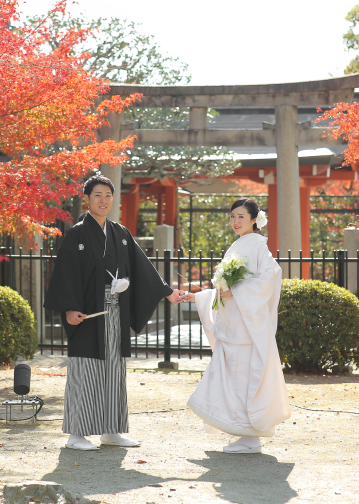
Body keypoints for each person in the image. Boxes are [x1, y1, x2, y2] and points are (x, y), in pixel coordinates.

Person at [44, 175, 188, 451]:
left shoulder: (120, 233)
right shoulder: (76, 233)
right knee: (85, 372)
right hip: (86, 315)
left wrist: (168, 292)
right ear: (86, 199)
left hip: (114, 313)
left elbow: (142, 267)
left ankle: (112, 431)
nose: (103, 200)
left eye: (108, 195)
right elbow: (66, 273)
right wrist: (69, 308)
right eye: (97, 195)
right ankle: (77, 433)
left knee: (114, 372)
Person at [181, 198, 290, 453]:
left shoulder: (258, 247)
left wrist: (235, 291)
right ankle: (240, 431)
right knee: (229, 379)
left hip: (245, 328)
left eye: (241, 216)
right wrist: (199, 295)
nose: (235, 221)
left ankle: (250, 437)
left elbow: (269, 278)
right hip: (234, 325)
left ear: (254, 220)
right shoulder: (239, 245)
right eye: (232, 216)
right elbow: (227, 289)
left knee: (243, 380)